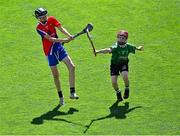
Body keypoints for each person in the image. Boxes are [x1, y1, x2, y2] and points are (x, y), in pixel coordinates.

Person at [35, 7, 79, 106]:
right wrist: (65, 40)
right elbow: (50, 39)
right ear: (38, 18)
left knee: (72, 67)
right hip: (49, 52)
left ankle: (72, 92)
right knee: (56, 76)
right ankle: (61, 97)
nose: (44, 18)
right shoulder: (38, 28)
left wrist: (69, 35)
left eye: (45, 16)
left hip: (58, 47)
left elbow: (60, 28)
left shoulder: (51, 19)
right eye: (41, 17)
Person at [95, 30, 144, 101]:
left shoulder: (128, 46)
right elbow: (108, 50)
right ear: (117, 38)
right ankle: (118, 92)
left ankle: (127, 88)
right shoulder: (115, 47)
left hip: (124, 64)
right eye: (119, 37)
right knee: (114, 82)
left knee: (125, 76)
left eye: (123, 38)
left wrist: (139, 48)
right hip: (114, 65)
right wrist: (98, 51)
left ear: (126, 39)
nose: (121, 39)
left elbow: (135, 48)